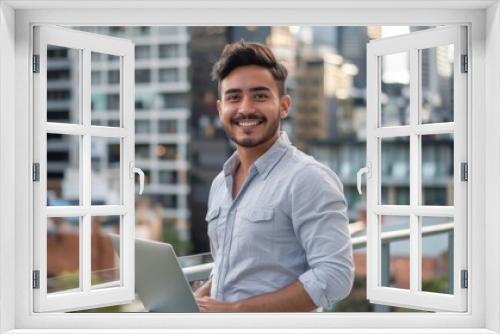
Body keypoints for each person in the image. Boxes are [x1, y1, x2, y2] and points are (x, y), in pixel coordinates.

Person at [194, 41, 354, 312]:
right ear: (221, 109)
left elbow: (334, 276)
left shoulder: (308, 179)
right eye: (234, 97)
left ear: (284, 105)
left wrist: (238, 311)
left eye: (259, 96)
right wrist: (202, 296)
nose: (245, 108)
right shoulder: (220, 184)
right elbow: (233, 264)